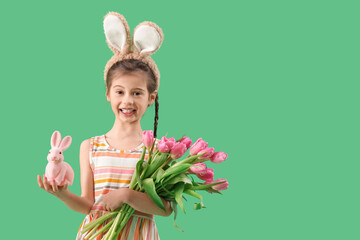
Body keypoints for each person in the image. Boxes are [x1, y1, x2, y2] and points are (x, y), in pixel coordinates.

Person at [37, 12, 172, 239]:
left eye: (137, 93)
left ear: (151, 97)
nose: (127, 100)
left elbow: (165, 209)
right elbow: (88, 205)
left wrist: (126, 196)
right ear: (108, 94)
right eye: (120, 91)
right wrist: (62, 194)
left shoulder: (159, 151)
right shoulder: (90, 147)